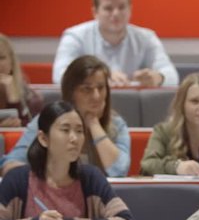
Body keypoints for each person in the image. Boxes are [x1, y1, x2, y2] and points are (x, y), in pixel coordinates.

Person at [0, 101, 135, 220]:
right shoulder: (17, 179)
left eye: (79, 131)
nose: (74, 138)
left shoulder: (91, 178)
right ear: (43, 138)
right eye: (65, 130)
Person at [1, 55, 131, 177]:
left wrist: (93, 123)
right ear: (71, 92)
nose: (96, 96)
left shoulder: (117, 124)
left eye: (101, 88)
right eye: (87, 89)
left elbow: (119, 171)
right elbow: (11, 163)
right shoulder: (47, 119)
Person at [52, 0, 179, 86]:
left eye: (122, 7)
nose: (116, 13)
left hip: (131, 107)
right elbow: (60, 76)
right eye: (108, 8)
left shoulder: (147, 38)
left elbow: (172, 76)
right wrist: (100, 77)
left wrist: (158, 78)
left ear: (130, 9)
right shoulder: (75, 37)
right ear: (95, 12)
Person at [0, 33, 43, 127]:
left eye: (1, 58)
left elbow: (34, 134)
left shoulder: (31, 98)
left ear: (11, 62)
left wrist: (13, 98)